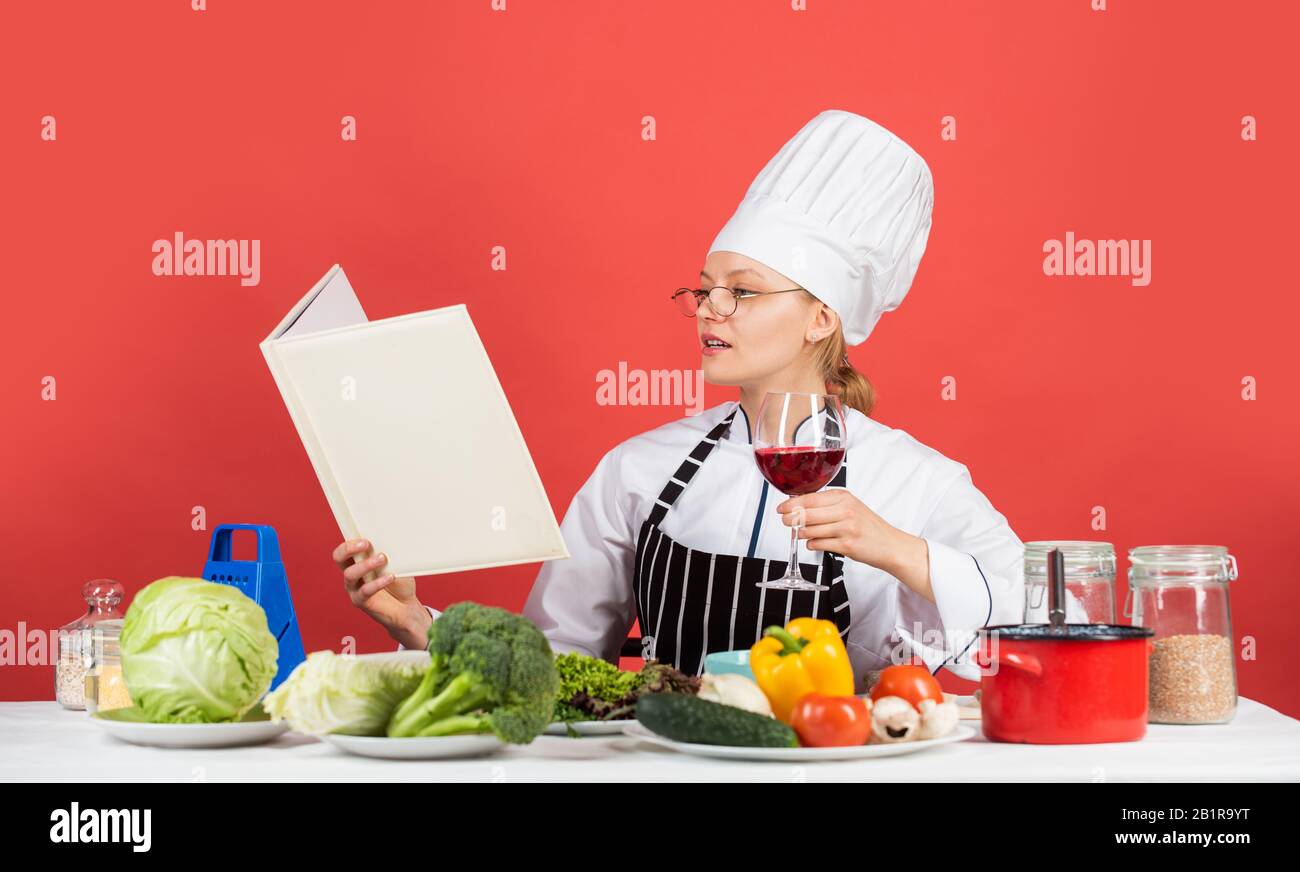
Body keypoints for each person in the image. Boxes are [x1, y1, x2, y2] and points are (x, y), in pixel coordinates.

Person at [334, 110, 1024, 688]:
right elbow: (558, 663)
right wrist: (420, 625)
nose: (708, 311)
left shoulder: (917, 482)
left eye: (742, 292)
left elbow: (1031, 617)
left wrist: (896, 548)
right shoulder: (639, 469)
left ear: (823, 317)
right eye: (705, 288)